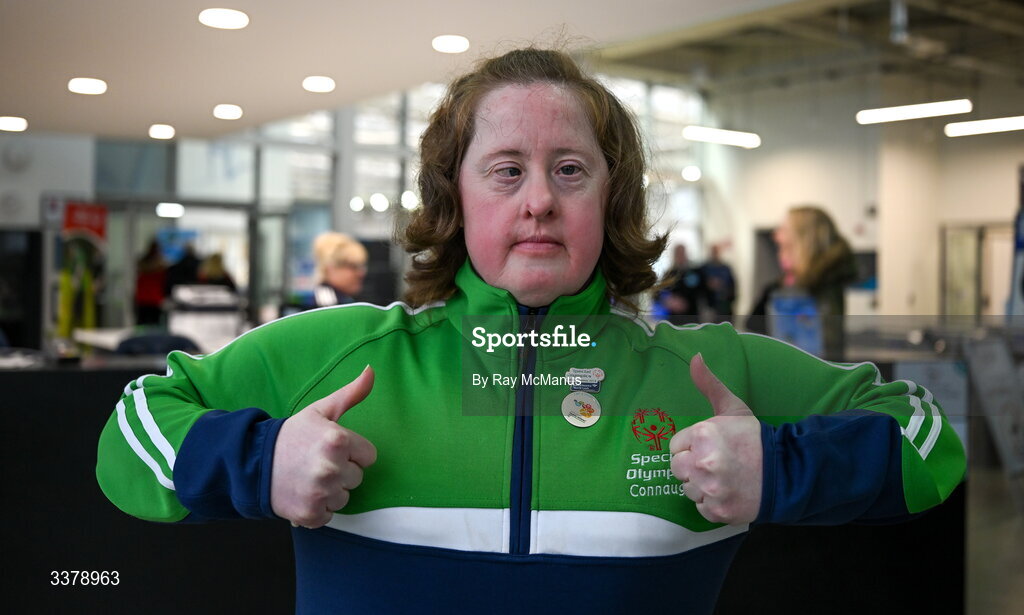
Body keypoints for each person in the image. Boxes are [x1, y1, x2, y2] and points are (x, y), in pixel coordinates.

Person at [97, 48, 964, 614]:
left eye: (570, 170)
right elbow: (128, 437)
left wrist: (785, 469)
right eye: (505, 170)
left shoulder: (709, 369)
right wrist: (258, 462)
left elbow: (931, 443)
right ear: (454, 197)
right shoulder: (343, 351)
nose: (539, 198)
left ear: (611, 198)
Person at [747, 206, 857, 359]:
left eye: (784, 229)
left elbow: (825, 349)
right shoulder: (778, 289)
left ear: (804, 241)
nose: (776, 235)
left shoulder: (822, 290)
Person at [309, 232, 367, 308]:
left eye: (360, 266)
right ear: (330, 268)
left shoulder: (343, 298)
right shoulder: (327, 303)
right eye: (352, 266)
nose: (361, 273)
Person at [654, 244, 705, 324]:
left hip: (692, 317)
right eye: (678, 253)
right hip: (674, 319)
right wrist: (670, 301)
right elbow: (658, 294)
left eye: (683, 253)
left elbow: (703, 290)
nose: (681, 256)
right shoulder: (669, 274)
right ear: (674, 255)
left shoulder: (695, 272)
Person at [133, 239, 166, 326]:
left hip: (143, 297)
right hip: (153, 298)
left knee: (142, 323)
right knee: (154, 324)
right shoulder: (160, 265)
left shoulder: (142, 263)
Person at [700, 243, 736, 321]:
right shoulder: (704, 269)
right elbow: (700, 287)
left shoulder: (726, 268)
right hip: (710, 306)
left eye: (716, 252)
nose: (715, 254)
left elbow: (732, 286)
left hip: (724, 305)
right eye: (713, 252)